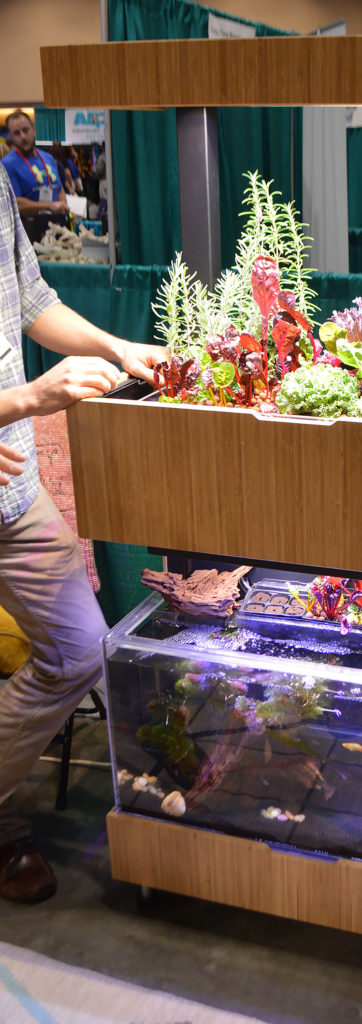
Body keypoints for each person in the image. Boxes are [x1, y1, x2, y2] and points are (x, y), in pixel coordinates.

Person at [0, 162, 165, 903]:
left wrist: (113, 349)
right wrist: (30, 396)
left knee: (76, 650)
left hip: (12, 493)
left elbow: (31, 301)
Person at [2, 110, 69, 243]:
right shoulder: (7, 165)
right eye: (17, 133)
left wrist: (63, 206)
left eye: (25, 130)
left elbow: (59, 189)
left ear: (33, 130)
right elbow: (15, 203)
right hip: (26, 234)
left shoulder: (48, 158)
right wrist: (49, 205)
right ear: (11, 136)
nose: (23, 136)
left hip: (55, 229)